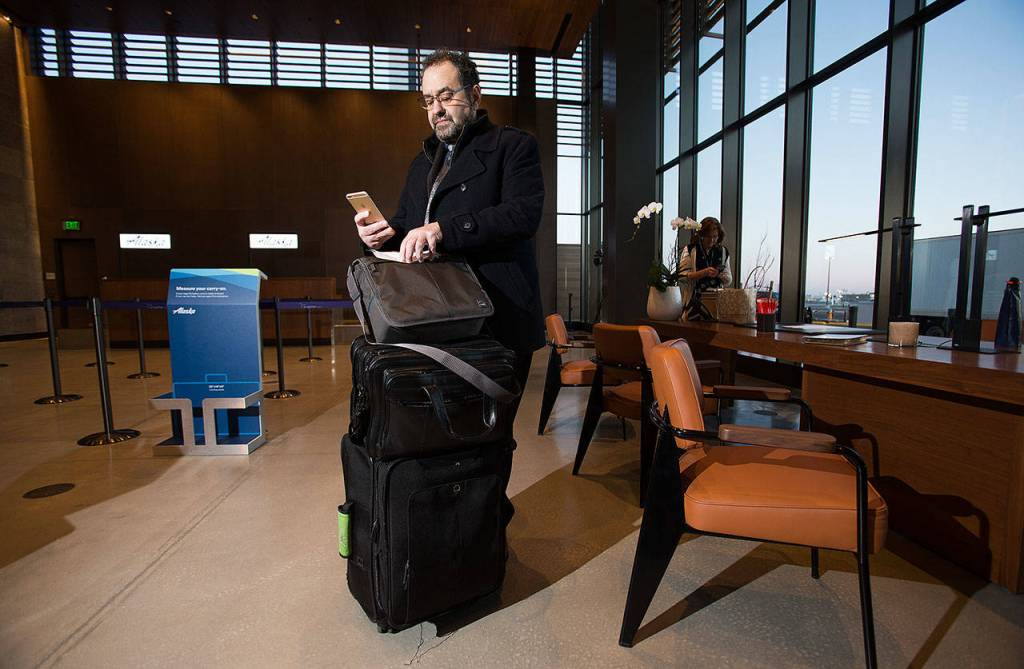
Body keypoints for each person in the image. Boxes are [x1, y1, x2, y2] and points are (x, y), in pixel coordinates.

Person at [353, 48, 544, 396]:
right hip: (435, 319)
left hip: (497, 320)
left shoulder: (513, 146)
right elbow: (409, 226)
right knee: (440, 436)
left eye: (446, 96)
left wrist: (442, 230)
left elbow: (522, 216)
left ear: (474, 94)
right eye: (428, 100)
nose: (436, 109)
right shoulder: (422, 162)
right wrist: (381, 236)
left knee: (490, 436)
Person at [679, 216, 732, 320]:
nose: (712, 240)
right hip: (694, 303)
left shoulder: (723, 252)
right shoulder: (691, 250)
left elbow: (728, 280)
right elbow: (682, 276)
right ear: (702, 235)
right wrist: (703, 273)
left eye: (715, 236)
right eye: (708, 236)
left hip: (716, 304)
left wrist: (718, 274)